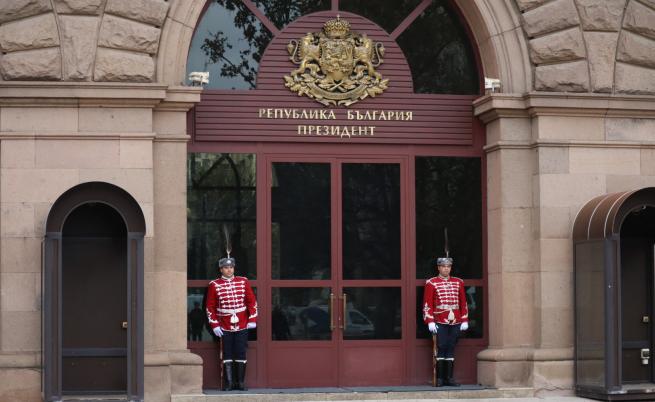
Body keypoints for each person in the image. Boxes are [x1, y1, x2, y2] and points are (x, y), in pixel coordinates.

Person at [206, 257, 258, 391]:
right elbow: (210, 307)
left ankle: (240, 383)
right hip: (224, 324)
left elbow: (251, 302)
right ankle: (229, 384)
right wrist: (215, 325)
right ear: (221, 269)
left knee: (241, 352)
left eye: (231, 267)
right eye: (226, 268)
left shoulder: (243, 281)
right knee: (227, 353)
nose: (229, 270)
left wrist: (252, 319)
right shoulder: (214, 284)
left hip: (242, 323)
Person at [423, 256, 468, 387]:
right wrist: (430, 321)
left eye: (448, 267)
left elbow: (463, 303)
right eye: (443, 266)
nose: (446, 269)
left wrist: (464, 319)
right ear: (439, 267)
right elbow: (427, 304)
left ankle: (449, 378)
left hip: (456, 320)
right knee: (441, 347)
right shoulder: (431, 283)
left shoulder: (458, 282)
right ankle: (440, 379)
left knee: (451, 348)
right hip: (439, 319)